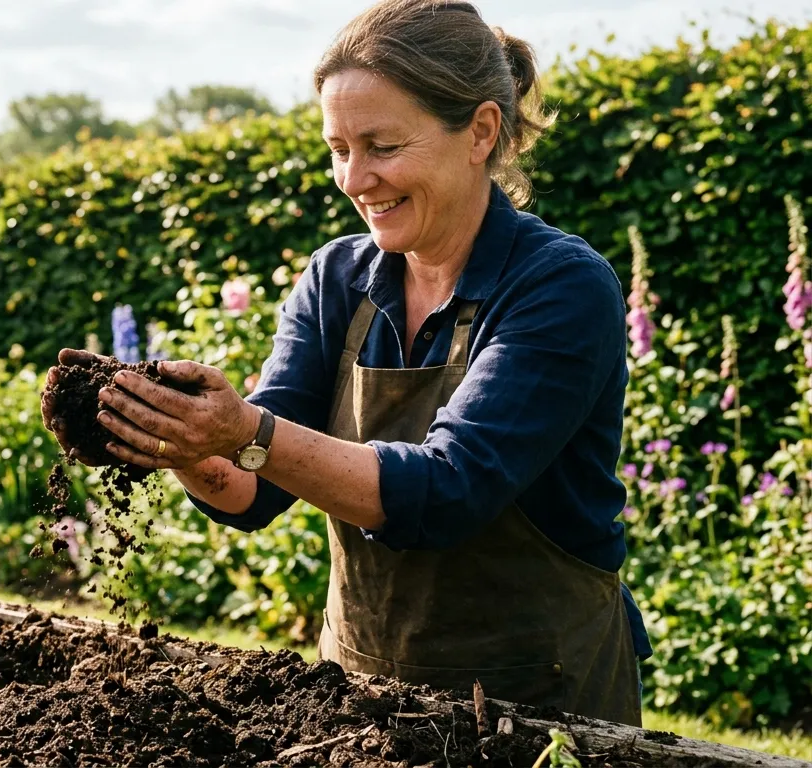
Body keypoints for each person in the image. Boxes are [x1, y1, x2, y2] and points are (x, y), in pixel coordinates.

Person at [41, 0, 648, 726]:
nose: (355, 179)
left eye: (382, 146)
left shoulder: (558, 285)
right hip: (363, 701)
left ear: (481, 131)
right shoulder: (339, 279)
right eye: (338, 149)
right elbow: (253, 491)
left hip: (543, 706)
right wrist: (176, 436)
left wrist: (243, 431)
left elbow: (450, 490)